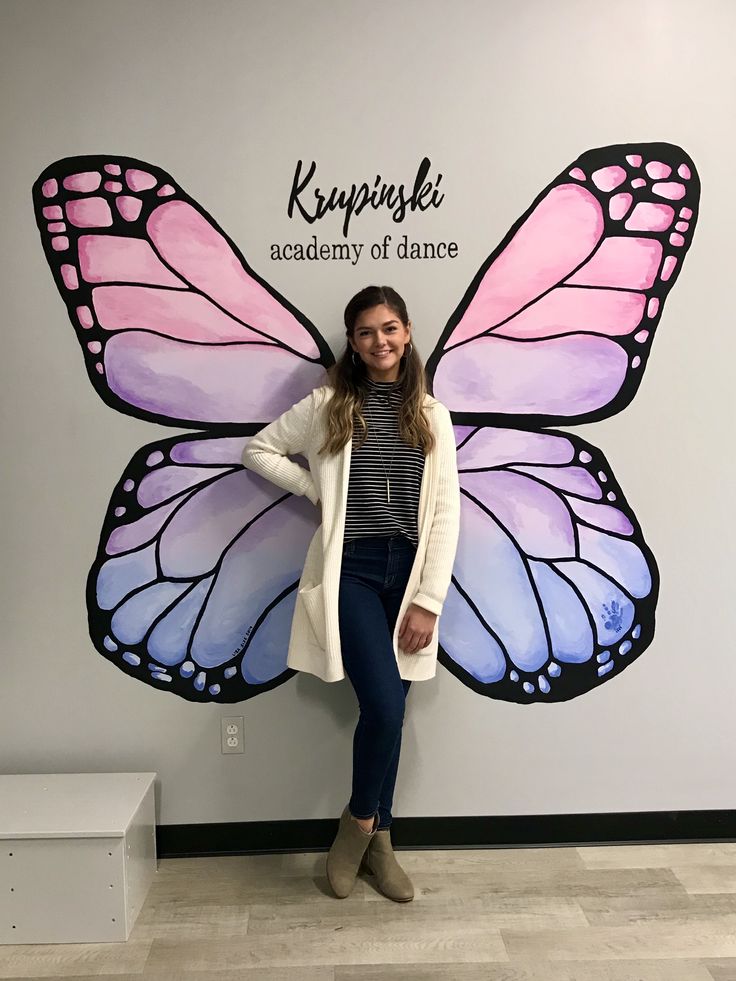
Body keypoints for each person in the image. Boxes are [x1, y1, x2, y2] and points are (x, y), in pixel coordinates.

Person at [241, 284, 461, 902]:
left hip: (409, 577)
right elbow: (258, 450)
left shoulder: (433, 415)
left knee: (393, 712)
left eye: (389, 328)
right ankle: (359, 826)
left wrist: (429, 600)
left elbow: (446, 513)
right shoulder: (328, 405)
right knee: (385, 708)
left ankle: (379, 842)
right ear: (354, 342)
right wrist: (318, 493)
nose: (379, 341)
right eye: (366, 332)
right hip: (355, 572)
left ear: (408, 332)